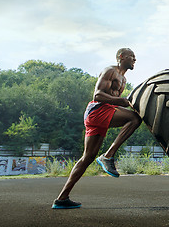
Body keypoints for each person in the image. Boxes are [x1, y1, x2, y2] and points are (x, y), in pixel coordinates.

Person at [52, 48, 141, 209]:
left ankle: (61, 198)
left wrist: (124, 102)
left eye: (135, 57)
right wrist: (121, 101)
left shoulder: (124, 79)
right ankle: (108, 156)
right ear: (121, 57)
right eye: (131, 56)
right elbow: (98, 95)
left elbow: (116, 100)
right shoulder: (110, 71)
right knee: (134, 118)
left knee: (87, 157)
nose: (134, 59)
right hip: (97, 110)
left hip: (102, 113)